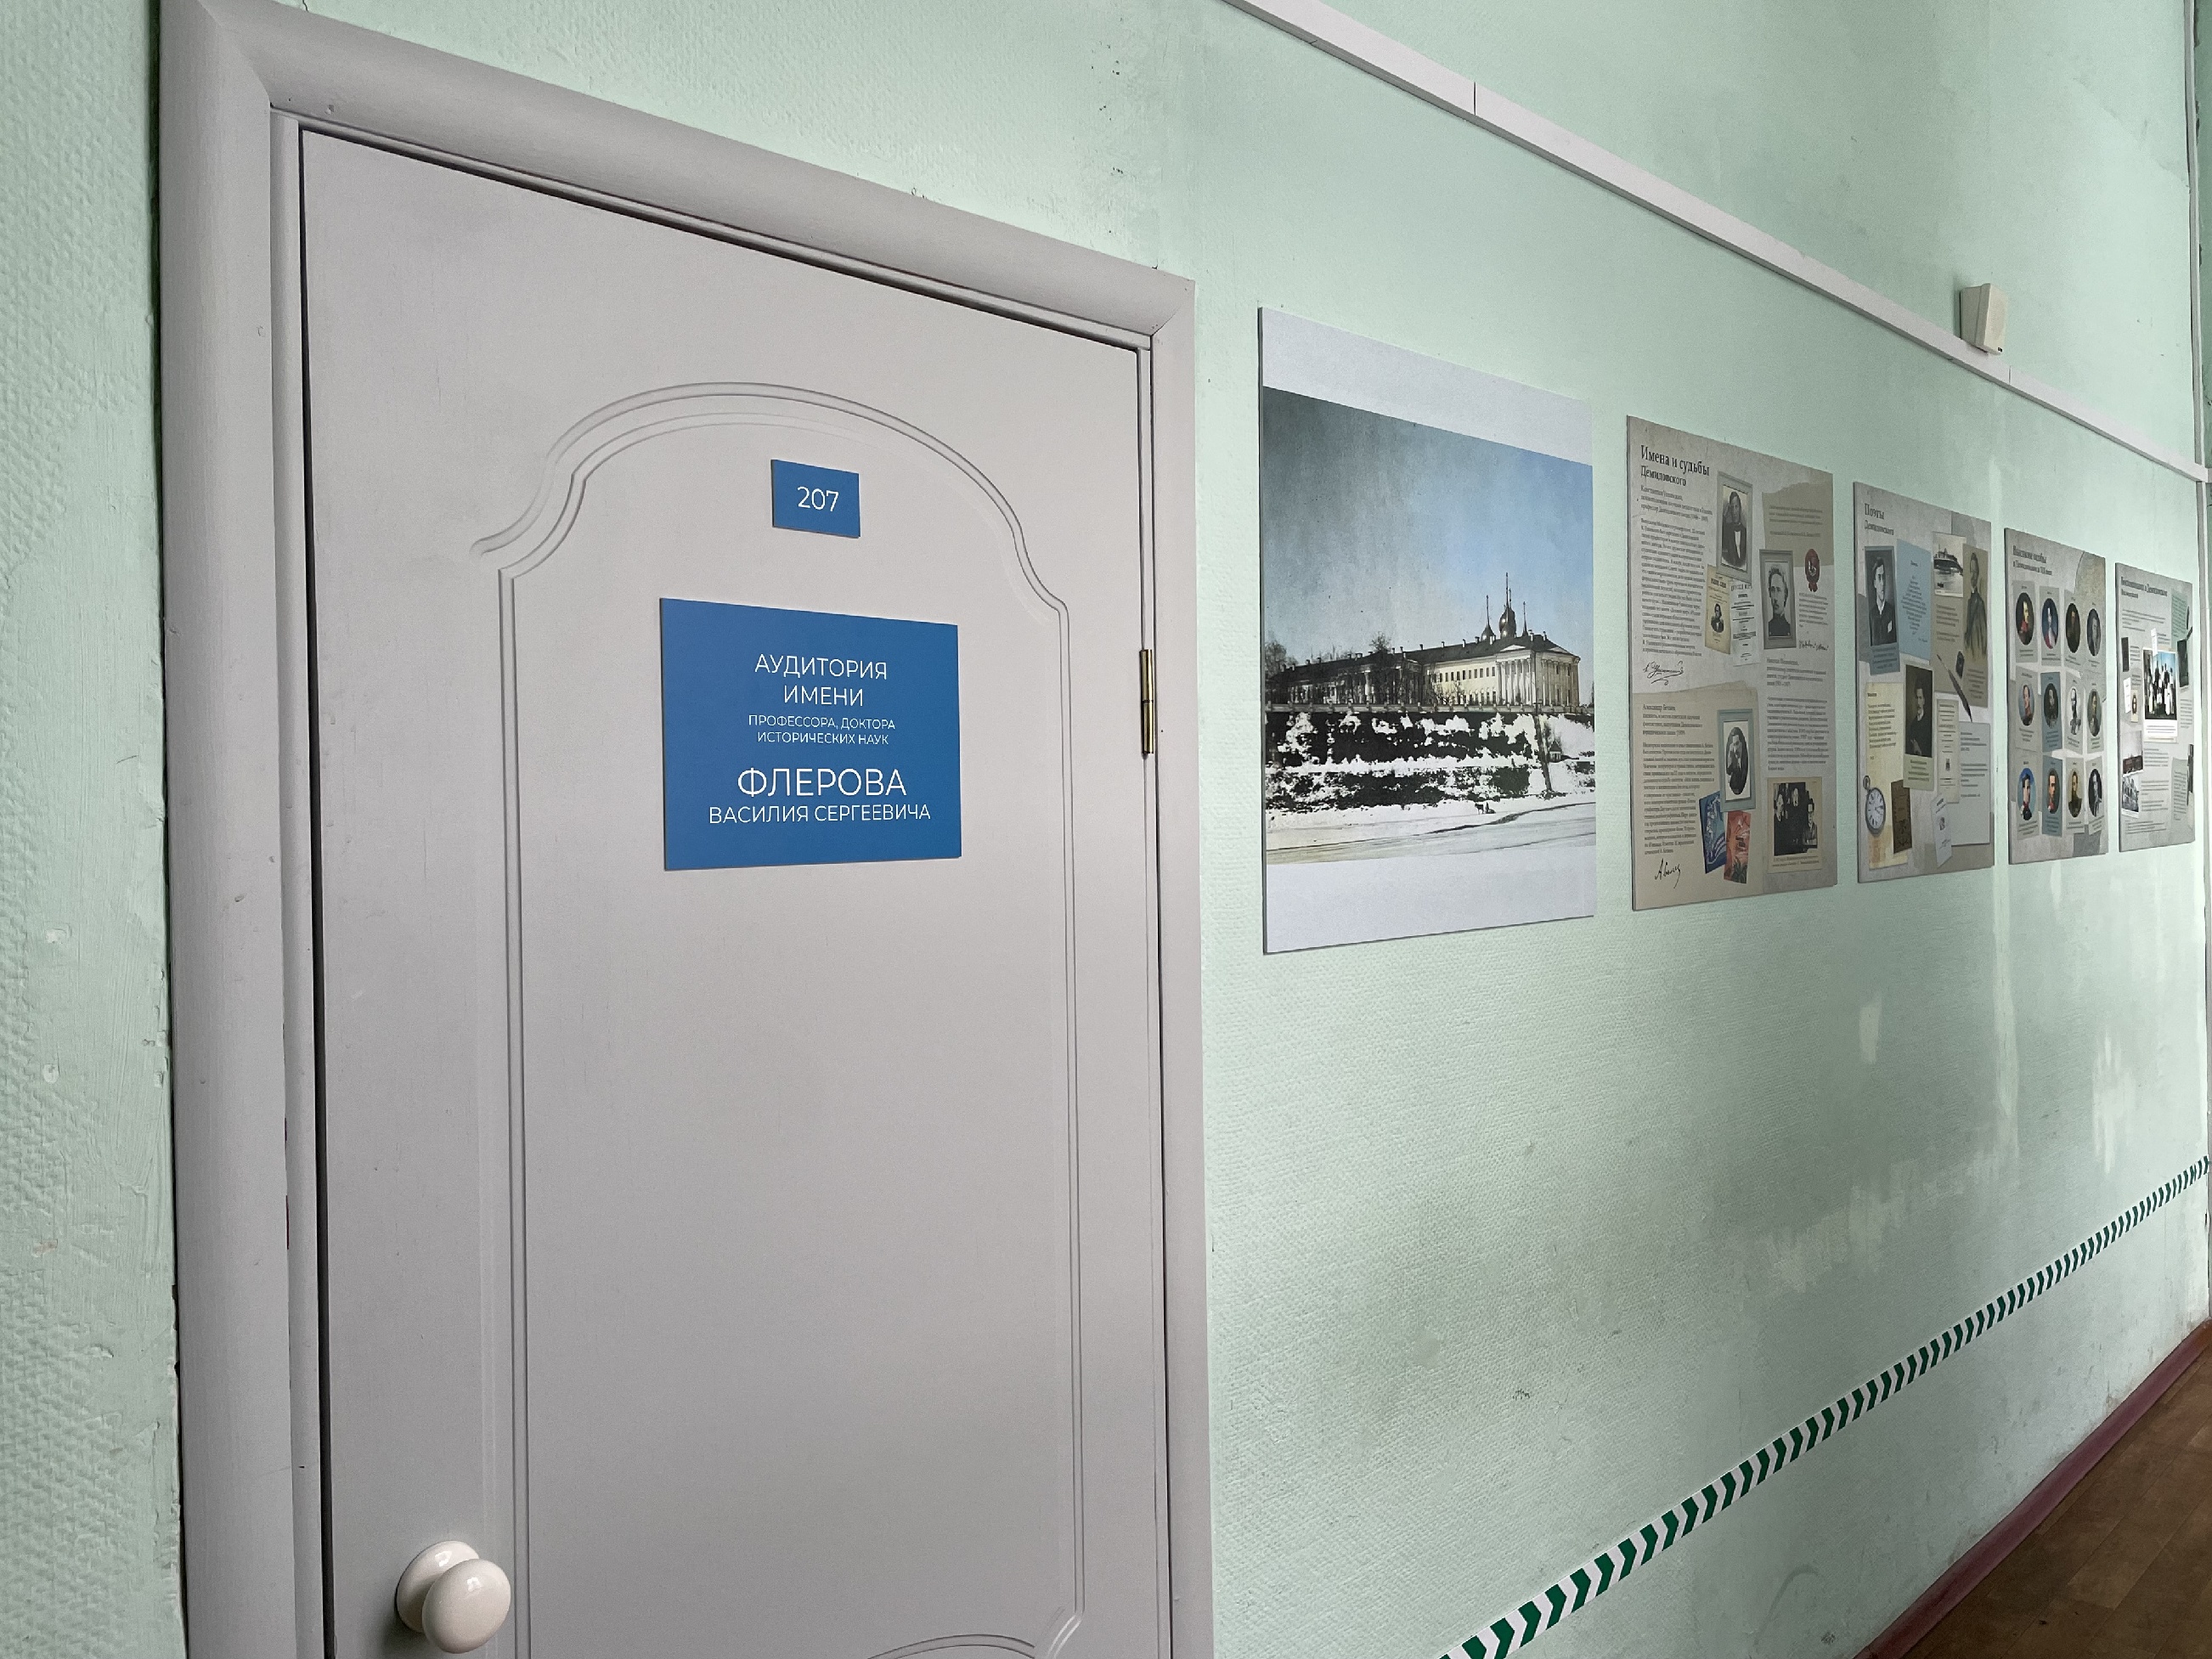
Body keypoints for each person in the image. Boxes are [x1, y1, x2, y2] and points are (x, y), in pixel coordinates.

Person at [1965, 552, 1989, 660]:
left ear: (1978, 574)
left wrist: (1983, 653)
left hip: (1976, 652)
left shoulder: (1979, 602)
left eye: (1975, 572)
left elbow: (1984, 633)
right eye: (1971, 571)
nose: (1973, 576)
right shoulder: (1969, 600)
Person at [1869, 554, 1897, 645]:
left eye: (1884, 577)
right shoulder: (1871, 615)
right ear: (1874, 583)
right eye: (1879, 577)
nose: (1883, 583)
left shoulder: (1892, 612)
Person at [1719, 488, 1748, 568]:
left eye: (1736, 507)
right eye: (1732, 507)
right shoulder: (1727, 531)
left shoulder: (1745, 532)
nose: (1734, 511)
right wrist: (1724, 515)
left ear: (1740, 508)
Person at [1765, 565, 1792, 641]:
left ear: (1785, 595)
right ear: (1770, 594)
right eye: (1773, 590)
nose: (1775, 598)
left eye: (1779, 590)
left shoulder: (1791, 630)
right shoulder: (1766, 629)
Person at [1724, 725, 1750, 797]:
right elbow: (1729, 776)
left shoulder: (1745, 760)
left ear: (1742, 743)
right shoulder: (1732, 763)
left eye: (1737, 744)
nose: (1735, 749)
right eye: (1734, 745)